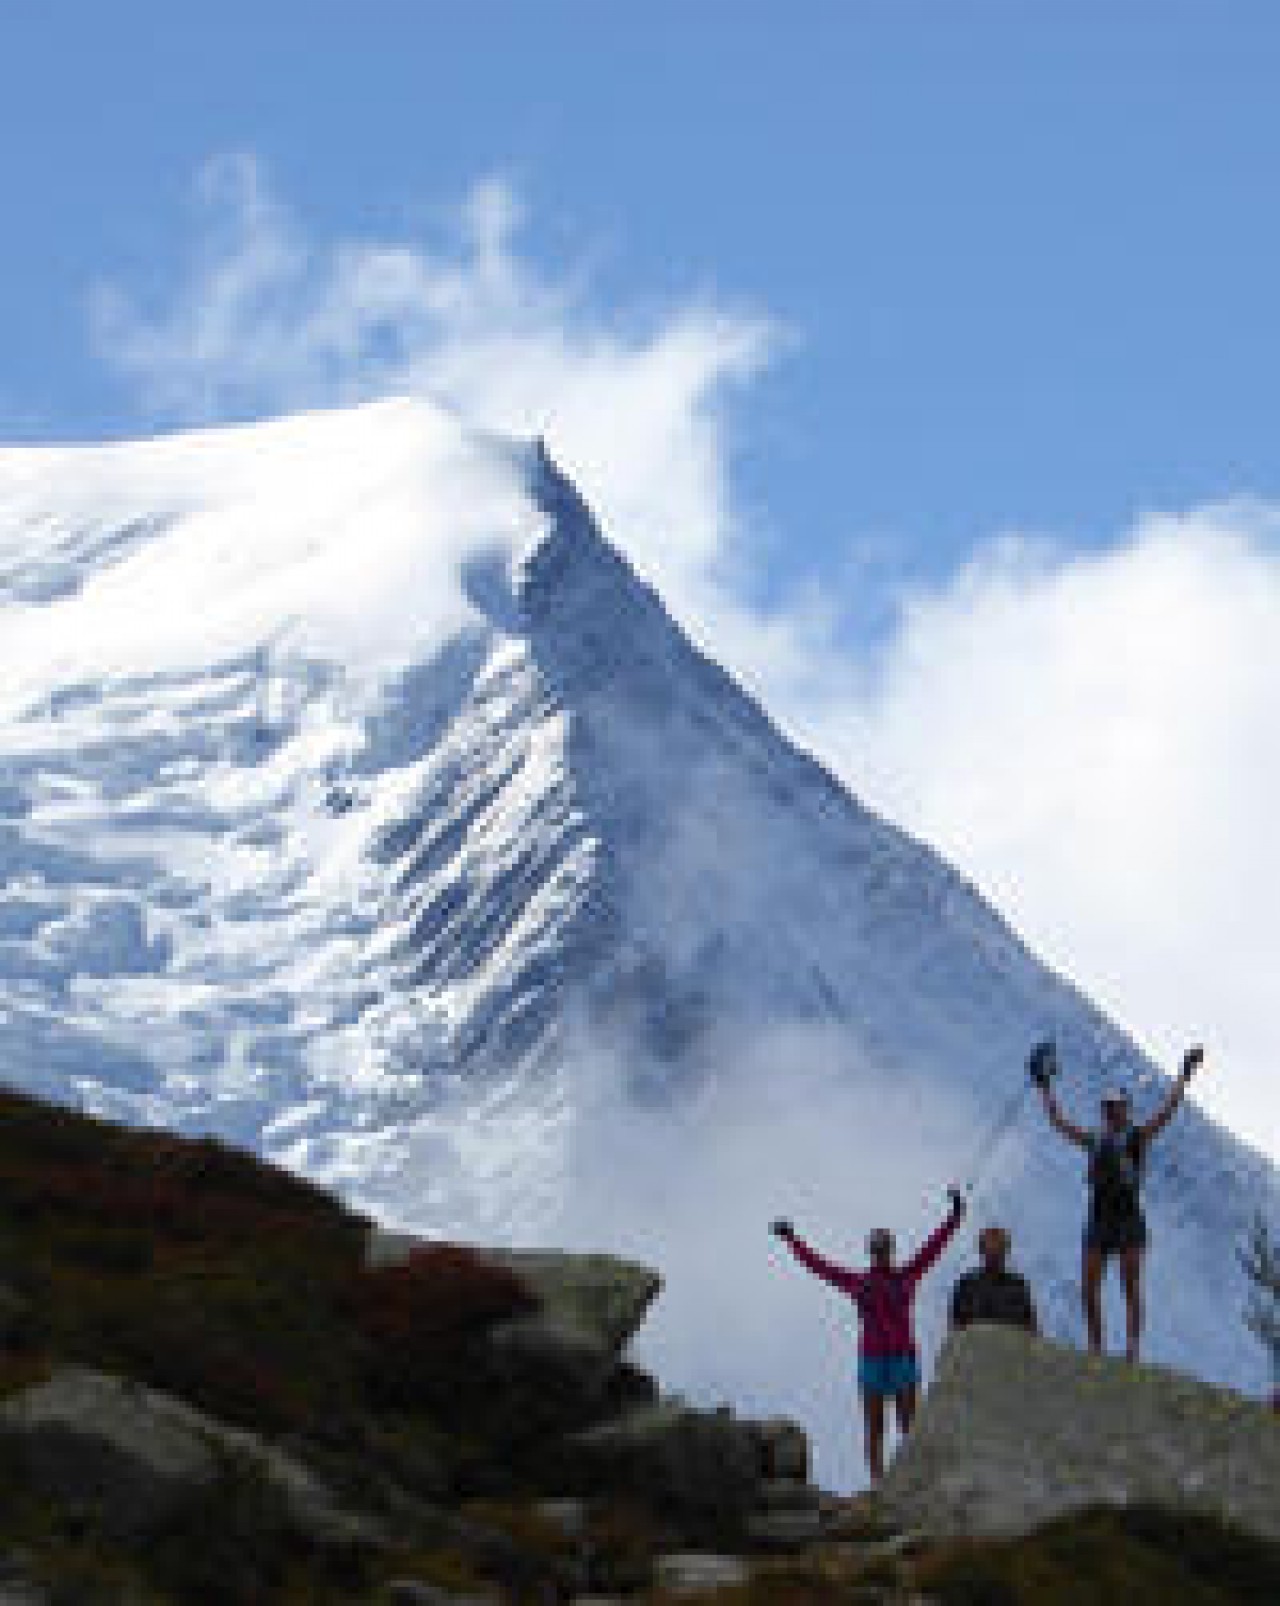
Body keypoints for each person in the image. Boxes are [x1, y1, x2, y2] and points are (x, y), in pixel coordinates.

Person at [771, 1188, 965, 1483]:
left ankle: (915, 1483)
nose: (880, 1253)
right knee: (876, 1428)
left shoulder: (904, 1275)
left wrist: (955, 1215)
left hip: (898, 1359)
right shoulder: (861, 1281)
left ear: (891, 1250)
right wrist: (791, 1239)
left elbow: (934, 1247)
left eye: (884, 1248)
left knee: (909, 1427)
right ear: (871, 1252)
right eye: (876, 1249)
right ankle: (878, 1486)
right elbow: (818, 1266)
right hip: (877, 1361)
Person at [1035, 1043, 1204, 1362]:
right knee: (1089, 1290)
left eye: (1116, 1107)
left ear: (1125, 1110)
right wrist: (1045, 1090)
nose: (1112, 1112)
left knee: (1129, 1285)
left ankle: (1131, 1349)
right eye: (1108, 1108)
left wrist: (1184, 1076)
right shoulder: (1096, 1140)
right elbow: (1059, 1124)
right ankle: (1097, 1347)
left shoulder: (1136, 1136)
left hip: (1126, 1220)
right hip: (1101, 1219)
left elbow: (1167, 1113)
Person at [949, 1226, 1039, 1335]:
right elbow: (957, 1330)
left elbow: (1031, 1330)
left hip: (1011, 1348)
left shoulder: (1019, 1286)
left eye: (999, 1248)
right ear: (982, 1250)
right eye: (990, 1248)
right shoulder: (966, 1285)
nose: (994, 1253)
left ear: (1005, 1251)